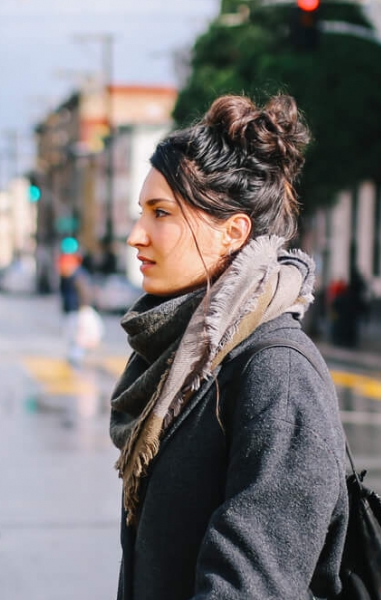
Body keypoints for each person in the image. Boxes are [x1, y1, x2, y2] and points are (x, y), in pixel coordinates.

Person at [109, 94, 346, 599]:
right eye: (141, 212)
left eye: (161, 213)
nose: (136, 235)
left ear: (232, 234)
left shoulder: (276, 371)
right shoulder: (183, 358)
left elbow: (251, 585)